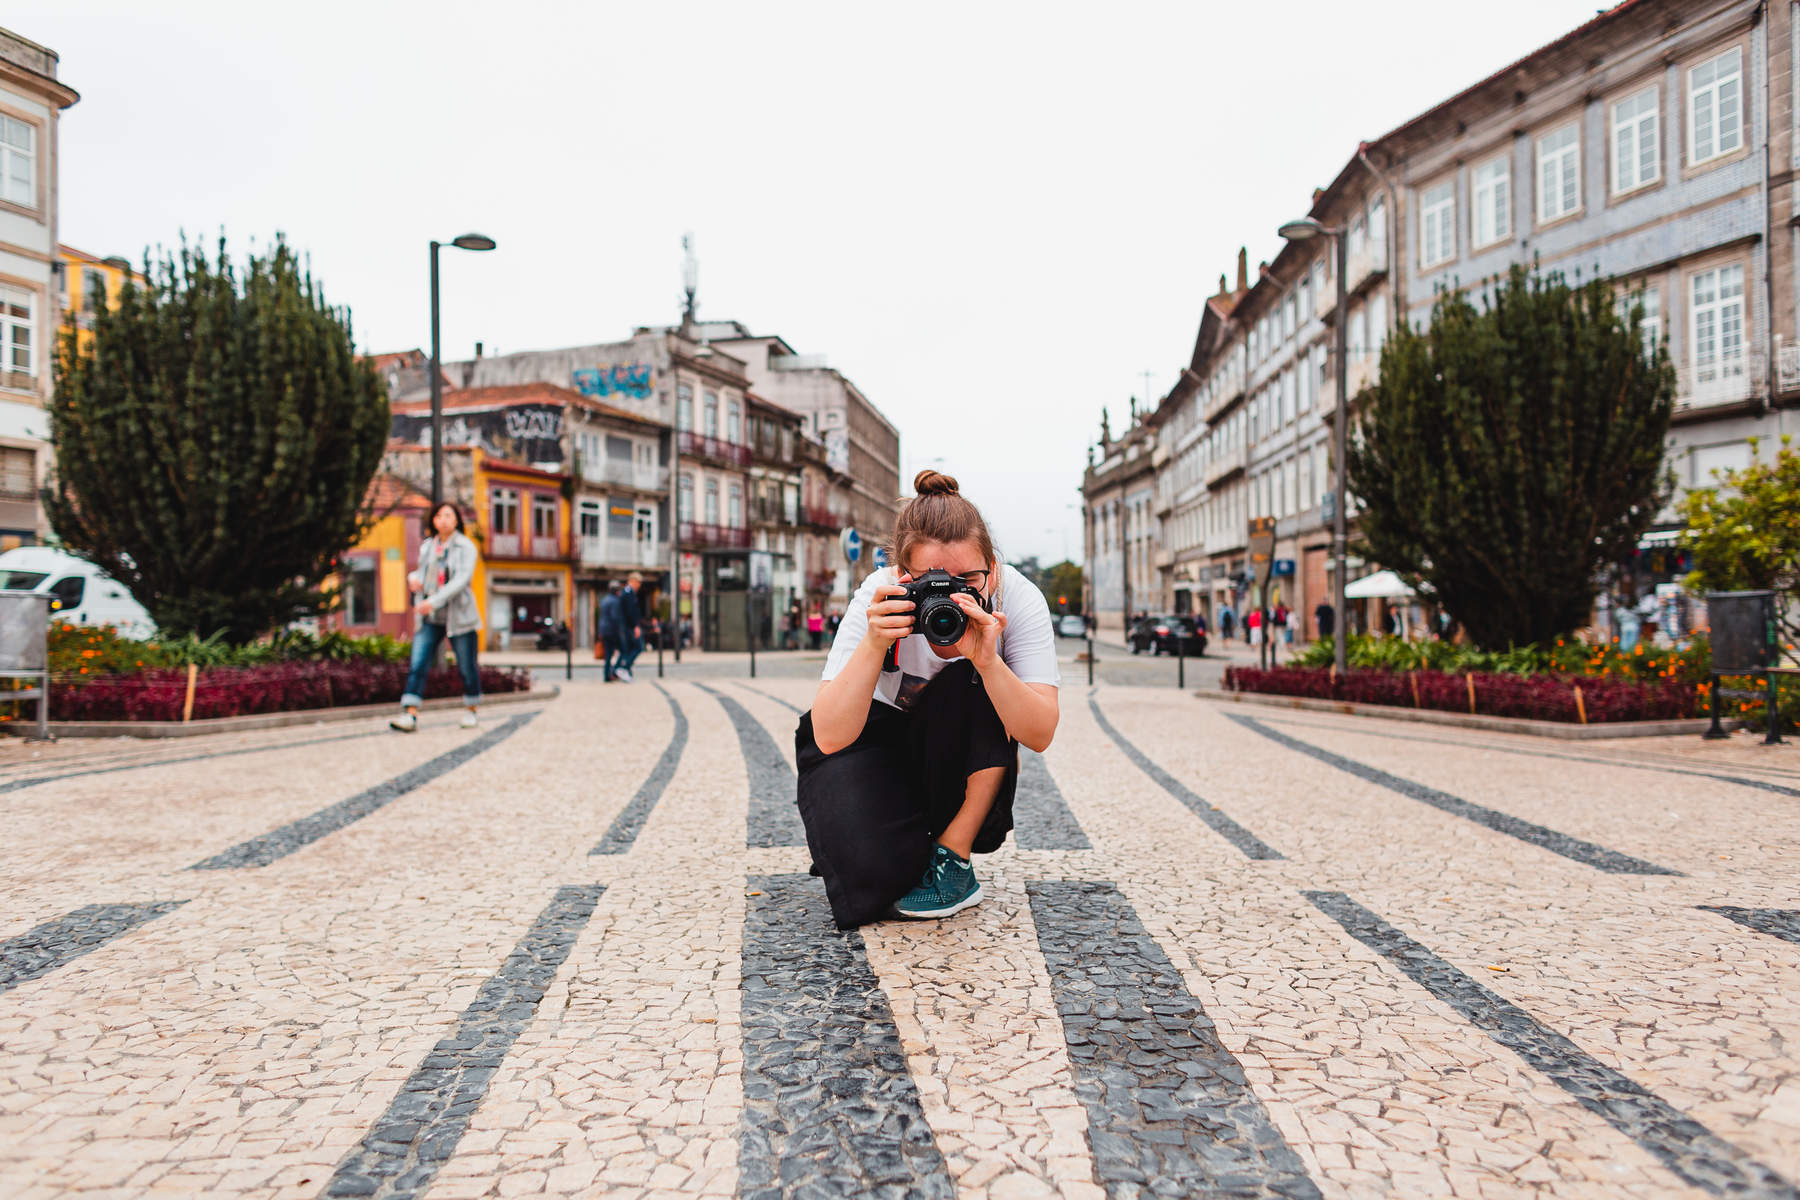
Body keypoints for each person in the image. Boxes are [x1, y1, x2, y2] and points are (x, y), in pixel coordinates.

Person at [798, 470, 1060, 929]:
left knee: (975, 680)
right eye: (932, 580)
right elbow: (829, 736)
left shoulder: (1016, 598)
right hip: (873, 740)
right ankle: (888, 838)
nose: (952, 595)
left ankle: (953, 856)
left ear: (992, 570)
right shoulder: (878, 597)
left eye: (967, 579)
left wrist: (988, 661)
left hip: (956, 752)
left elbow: (1038, 734)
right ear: (903, 576)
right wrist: (874, 644)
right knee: (873, 884)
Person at [390, 501, 482, 732]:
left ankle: (471, 709)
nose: (443, 519)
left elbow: (461, 581)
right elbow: (423, 571)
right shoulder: (428, 546)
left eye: (448, 515)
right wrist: (413, 578)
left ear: (457, 520)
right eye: (439, 515)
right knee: (418, 663)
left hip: (459, 617)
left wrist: (433, 601)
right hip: (430, 617)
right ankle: (410, 714)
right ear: (433, 520)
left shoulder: (466, 547)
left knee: (466, 667)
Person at [616, 571, 644, 682]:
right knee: (638, 647)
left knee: (627, 649)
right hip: (628, 626)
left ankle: (620, 669)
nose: (639, 585)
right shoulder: (628, 593)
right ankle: (624, 668)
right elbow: (630, 612)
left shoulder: (628, 593)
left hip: (627, 626)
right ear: (632, 581)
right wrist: (635, 626)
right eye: (638, 582)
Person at [599, 582, 624, 682]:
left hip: (604, 630)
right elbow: (615, 618)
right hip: (612, 631)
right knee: (623, 650)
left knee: (608, 654)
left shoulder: (605, 600)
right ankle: (613, 672)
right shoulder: (615, 601)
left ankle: (607, 675)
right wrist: (620, 631)